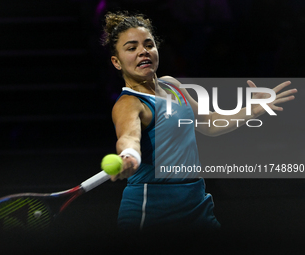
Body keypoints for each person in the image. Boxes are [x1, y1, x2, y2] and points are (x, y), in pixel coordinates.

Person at [101, 11, 297, 234]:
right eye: (131, 48)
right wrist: (129, 157)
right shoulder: (129, 103)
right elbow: (129, 138)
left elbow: (208, 122)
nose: (143, 52)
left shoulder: (172, 85)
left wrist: (250, 110)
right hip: (152, 210)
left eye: (148, 44)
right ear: (116, 62)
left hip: (195, 203)